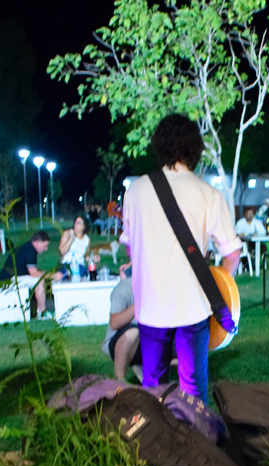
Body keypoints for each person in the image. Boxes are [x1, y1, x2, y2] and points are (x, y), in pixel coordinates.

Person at [119, 114, 242, 403]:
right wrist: (220, 283)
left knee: (153, 384)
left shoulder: (135, 191)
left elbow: (130, 249)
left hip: (151, 304)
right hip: (192, 304)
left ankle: (155, 429)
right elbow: (232, 253)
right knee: (193, 388)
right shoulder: (208, 194)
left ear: (159, 145)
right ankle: (196, 430)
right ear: (195, 148)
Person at [0, 230, 63, 319]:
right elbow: (34, 273)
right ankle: (42, 312)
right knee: (40, 283)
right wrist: (53, 276)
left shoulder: (27, 248)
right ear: (37, 243)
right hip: (10, 279)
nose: (46, 249)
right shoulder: (30, 251)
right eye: (45, 246)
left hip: (10, 277)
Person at [102, 262, 142, 380]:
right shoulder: (124, 288)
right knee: (132, 333)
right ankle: (119, 379)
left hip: (151, 339)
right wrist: (140, 303)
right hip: (120, 341)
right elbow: (114, 323)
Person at [59, 214, 98, 279]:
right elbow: (62, 252)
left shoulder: (87, 239)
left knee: (94, 273)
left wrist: (93, 258)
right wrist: (71, 238)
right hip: (67, 264)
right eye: (75, 222)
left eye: (79, 223)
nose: (76, 224)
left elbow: (85, 256)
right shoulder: (67, 234)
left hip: (80, 265)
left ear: (84, 226)